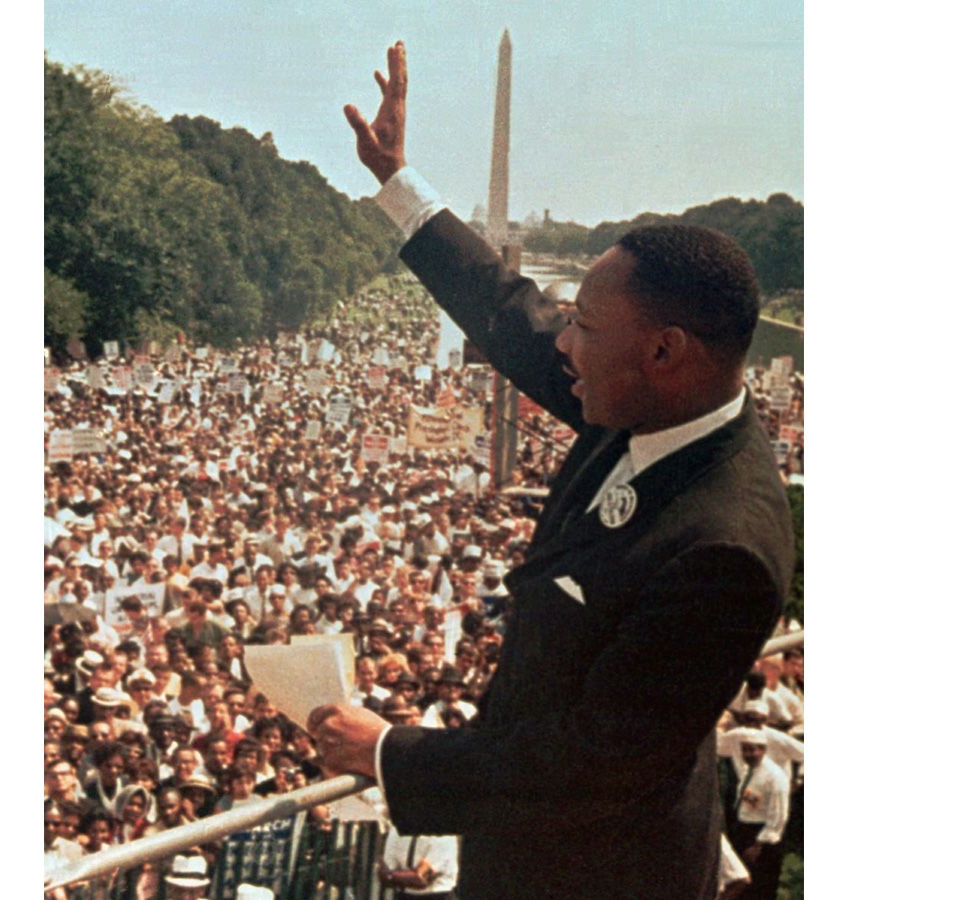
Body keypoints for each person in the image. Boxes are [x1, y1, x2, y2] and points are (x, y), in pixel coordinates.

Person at [309, 42, 793, 899]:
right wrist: (397, 182)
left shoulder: (725, 549)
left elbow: (594, 762)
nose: (560, 344)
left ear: (663, 350)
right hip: (530, 839)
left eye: (583, 326)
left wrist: (391, 751)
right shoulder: (654, 403)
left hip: (597, 869)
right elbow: (507, 313)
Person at [725, 730, 789, 900]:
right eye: (745, 750)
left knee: (761, 886)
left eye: (753, 750)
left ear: (763, 750)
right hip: (744, 830)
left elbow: (778, 816)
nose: (748, 754)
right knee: (745, 884)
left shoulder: (775, 777)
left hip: (762, 837)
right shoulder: (750, 769)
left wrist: (758, 846)